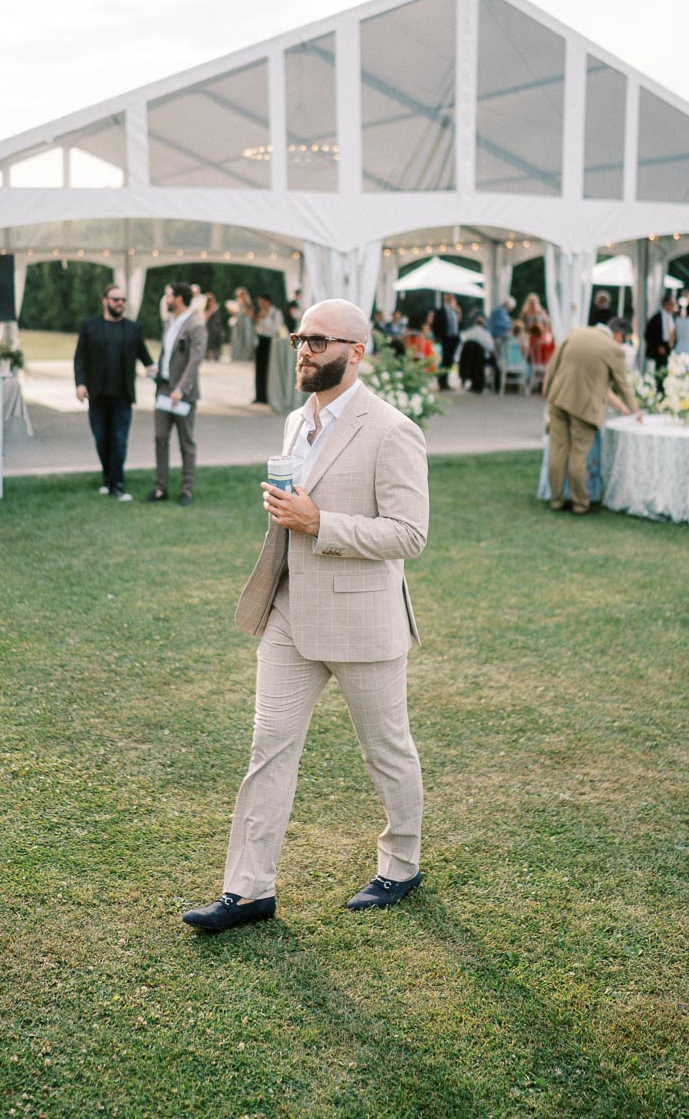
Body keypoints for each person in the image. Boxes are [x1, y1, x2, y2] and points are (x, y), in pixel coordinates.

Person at [183, 298, 429, 932]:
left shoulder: (392, 429)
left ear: (356, 352)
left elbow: (409, 534)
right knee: (269, 749)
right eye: (300, 339)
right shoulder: (296, 419)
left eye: (319, 341)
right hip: (290, 614)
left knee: (387, 752)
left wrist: (320, 522)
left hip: (362, 622)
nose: (304, 351)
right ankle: (248, 890)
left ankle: (401, 865)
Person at [543, 317, 638, 515]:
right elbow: (623, 385)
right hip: (584, 408)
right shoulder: (614, 349)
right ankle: (580, 502)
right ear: (618, 334)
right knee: (578, 455)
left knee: (558, 450)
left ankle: (556, 499)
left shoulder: (575, 332)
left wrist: (547, 390)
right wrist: (635, 410)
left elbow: (553, 364)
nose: (624, 344)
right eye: (625, 339)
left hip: (558, 398)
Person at [74, 284, 153, 501]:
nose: (120, 303)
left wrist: (154, 369)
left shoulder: (133, 328)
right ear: (105, 301)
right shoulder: (90, 326)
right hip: (97, 395)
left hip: (122, 396)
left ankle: (117, 484)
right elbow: (80, 357)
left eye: (123, 300)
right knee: (101, 439)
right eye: (116, 299)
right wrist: (80, 383)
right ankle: (107, 478)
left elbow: (145, 357)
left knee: (118, 439)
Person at [145, 282, 207, 506]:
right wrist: (156, 369)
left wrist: (181, 388)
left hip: (183, 395)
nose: (166, 299)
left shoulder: (196, 324)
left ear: (179, 299)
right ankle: (160, 488)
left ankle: (186, 490)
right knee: (160, 438)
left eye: (168, 295)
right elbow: (168, 354)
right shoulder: (170, 322)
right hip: (163, 390)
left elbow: (195, 359)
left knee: (186, 443)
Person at [253, 294, 283, 404]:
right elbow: (258, 328)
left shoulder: (276, 313)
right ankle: (259, 395)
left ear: (268, 302)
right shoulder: (260, 313)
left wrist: (265, 318)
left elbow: (274, 328)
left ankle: (267, 395)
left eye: (262, 302)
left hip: (270, 341)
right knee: (259, 369)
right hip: (260, 340)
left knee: (268, 369)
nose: (261, 305)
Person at [457, 314, 498, 392]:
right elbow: (491, 348)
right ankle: (495, 385)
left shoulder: (468, 332)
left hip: (467, 358)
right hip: (479, 358)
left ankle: (469, 381)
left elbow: (462, 341)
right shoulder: (485, 334)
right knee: (494, 362)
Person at [432, 294, 461, 391]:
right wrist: (438, 336)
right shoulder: (441, 311)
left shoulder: (455, 311)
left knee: (450, 360)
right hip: (446, 337)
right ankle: (442, 381)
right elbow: (435, 324)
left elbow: (459, 324)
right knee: (445, 359)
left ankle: (446, 380)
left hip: (454, 337)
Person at [644, 293, 677, 372]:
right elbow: (648, 335)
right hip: (660, 348)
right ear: (665, 304)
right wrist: (658, 347)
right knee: (660, 370)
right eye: (672, 304)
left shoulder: (674, 317)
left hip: (670, 347)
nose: (673, 307)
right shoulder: (656, 318)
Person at [228, 288, 257, 362]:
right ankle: (237, 356)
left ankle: (247, 356)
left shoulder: (248, 303)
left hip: (246, 322)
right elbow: (235, 313)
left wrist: (244, 311)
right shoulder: (237, 302)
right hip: (238, 322)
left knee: (247, 338)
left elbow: (251, 313)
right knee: (238, 339)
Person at [203, 292, 223, 361]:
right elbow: (205, 318)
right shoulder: (206, 309)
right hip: (209, 327)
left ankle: (216, 355)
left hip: (217, 327)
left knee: (217, 341)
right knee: (210, 341)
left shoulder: (216, 307)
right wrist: (211, 310)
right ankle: (208, 355)